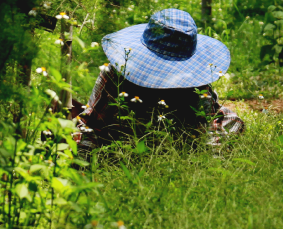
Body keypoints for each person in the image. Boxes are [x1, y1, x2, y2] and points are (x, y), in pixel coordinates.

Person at [72, 8, 244, 151]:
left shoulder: (195, 82)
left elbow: (203, 126)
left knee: (229, 120)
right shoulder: (117, 73)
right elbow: (92, 125)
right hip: (125, 140)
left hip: (179, 139)